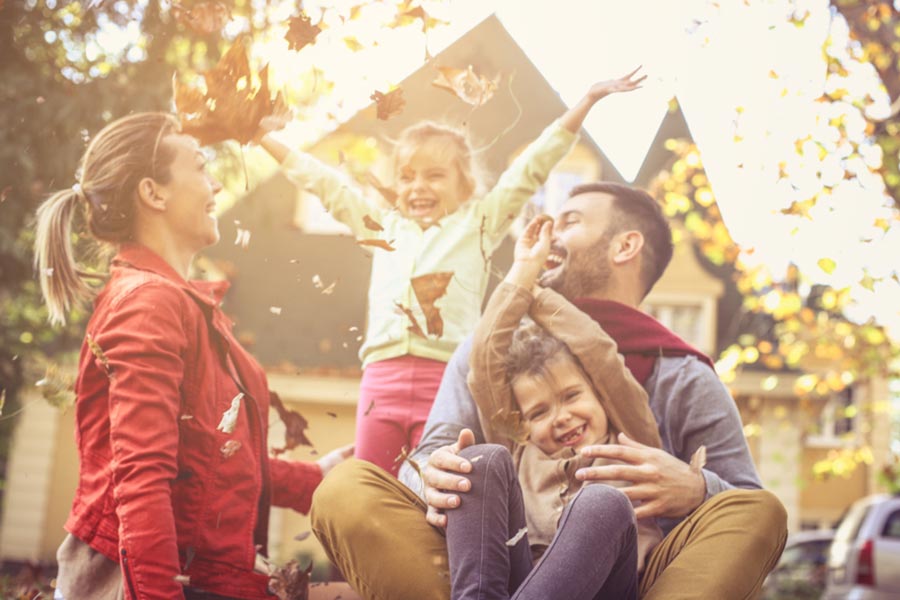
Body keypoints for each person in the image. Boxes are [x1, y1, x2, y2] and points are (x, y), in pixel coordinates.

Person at [311, 182, 788, 599]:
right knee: (345, 489)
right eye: (538, 411)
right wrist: (431, 477)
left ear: (625, 245)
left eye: (570, 221)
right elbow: (431, 454)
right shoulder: (496, 357)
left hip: (636, 581)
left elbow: (741, 505)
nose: (547, 232)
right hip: (493, 568)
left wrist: (696, 487)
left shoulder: (680, 375)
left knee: (759, 511)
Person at [256, 69, 645, 476]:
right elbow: (326, 186)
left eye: (434, 175)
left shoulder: (478, 223)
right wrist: (264, 139)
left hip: (444, 383)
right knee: (369, 485)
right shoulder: (383, 228)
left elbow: (529, 168)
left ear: (464, 185)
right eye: (407, 177)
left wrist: (585, 103)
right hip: (379, 382)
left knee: (437, 487)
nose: (417, 187)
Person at [34, 112, 351, 600]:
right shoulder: (149, 303)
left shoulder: (179, 303)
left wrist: (316, 479)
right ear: (153, 193)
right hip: (153, 581)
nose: (217, 184)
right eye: (201, 168)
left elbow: (205, 459)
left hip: (209, 573)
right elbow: (139, 478)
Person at [448, 214, 669, 599]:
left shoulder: (634, 441)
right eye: (538, 413)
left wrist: (534, 291)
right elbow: (483, 365)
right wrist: (521, 273)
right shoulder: (521, 448)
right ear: (522, 424)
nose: (561, 417)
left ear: (601, 393)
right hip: (518, 580)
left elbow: (597, 350)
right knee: (480, 460)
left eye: (571, 396)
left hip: (604, 585)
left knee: (602, 502)